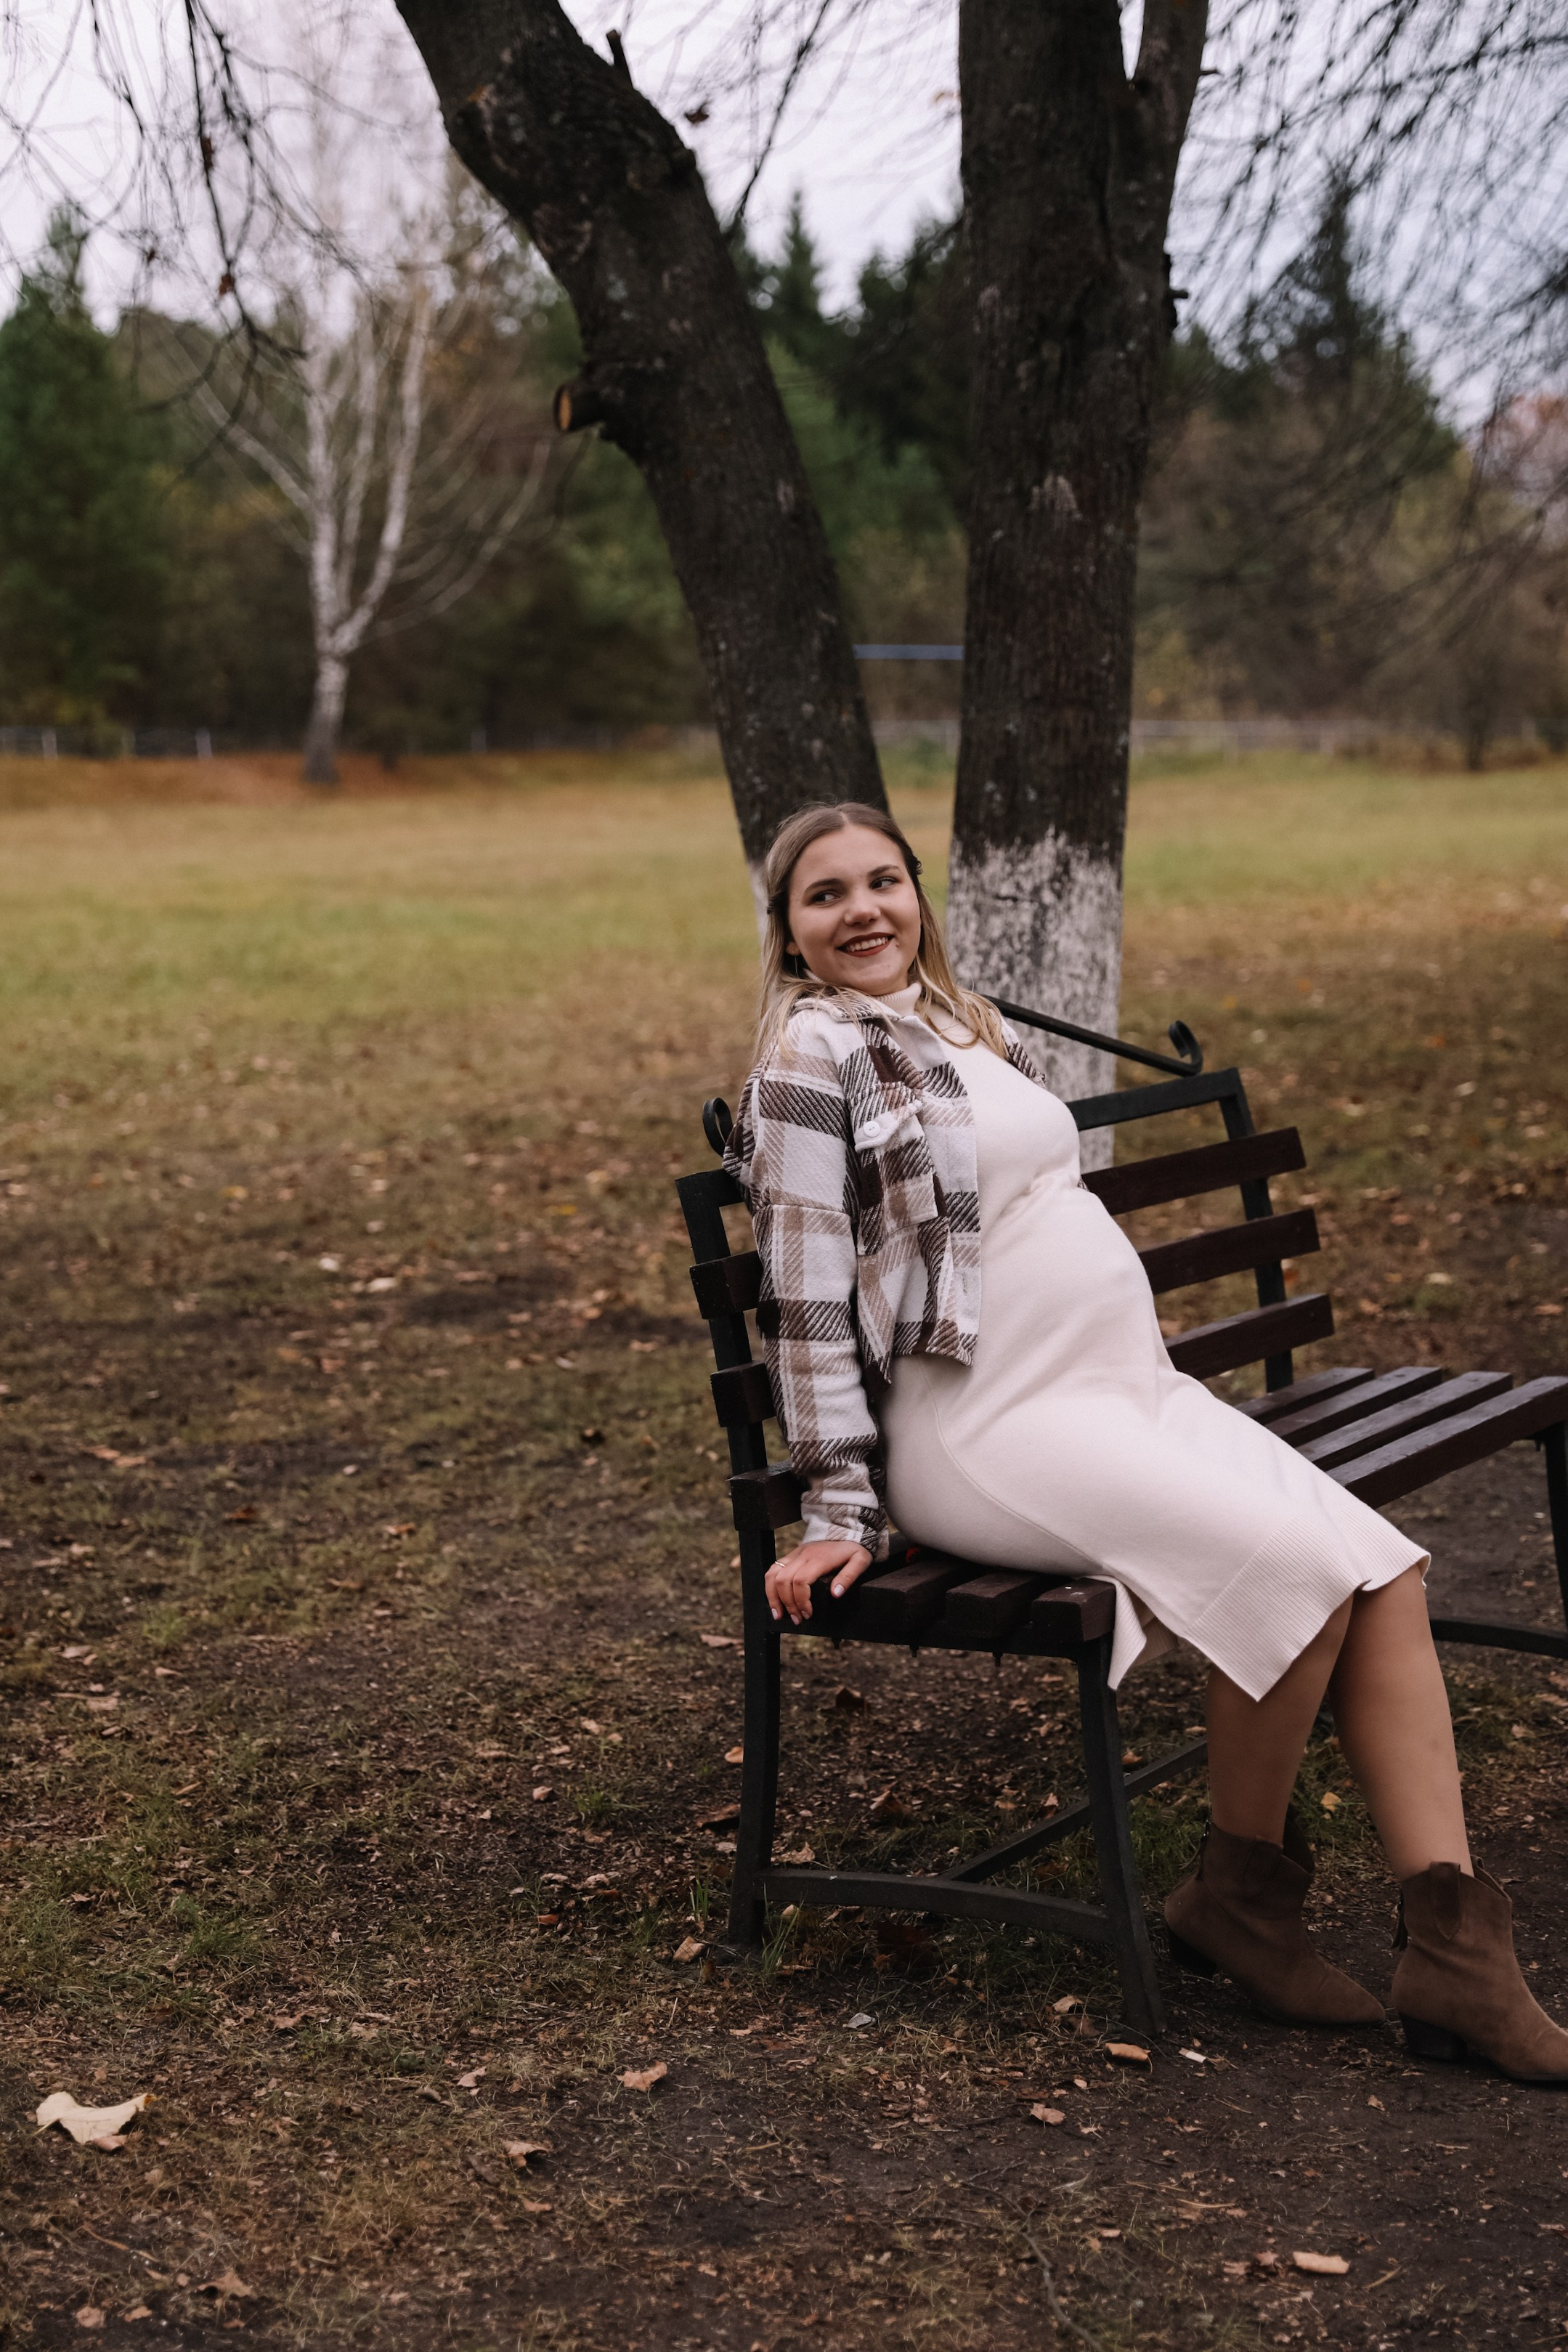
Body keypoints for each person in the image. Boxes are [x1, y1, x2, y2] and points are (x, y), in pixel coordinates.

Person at [723, 798, 1568, 2085]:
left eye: (884, 882)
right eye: (825, 895)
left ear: (917, 895)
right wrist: (839, 1507)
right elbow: (803, 1299)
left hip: (1123, 1393)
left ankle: (1450, 1947)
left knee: (1382, 1570)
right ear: (788, 934)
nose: (864, 912)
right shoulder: (809, 1062)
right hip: (989, 1425)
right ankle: (1241, 1905)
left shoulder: (959, 1023)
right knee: (1290, 1565)